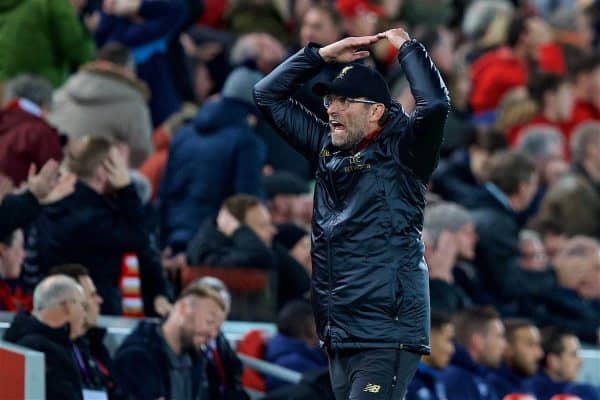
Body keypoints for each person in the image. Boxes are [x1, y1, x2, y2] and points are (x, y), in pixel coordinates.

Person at [254, 28, 450, 399]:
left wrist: (407, 49)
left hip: (385, 332)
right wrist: (321, 56)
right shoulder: (325, 146)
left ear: (376, 111)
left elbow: (436, 105)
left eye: (344, 101)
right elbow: (267, 94)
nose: (331, 108)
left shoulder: (407, 151)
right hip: (339, 330)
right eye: (329, 100)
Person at [113, 285, 226, 400]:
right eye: (209, 321)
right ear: (183, 308)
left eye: (217, 328)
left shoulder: (197, 360)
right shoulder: (136, 357)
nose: (213, 334)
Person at [50, 263, 127, 399]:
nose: (100, 300)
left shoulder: (94, 347)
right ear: (71, 303)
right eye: (92, 295)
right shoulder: (49, 353)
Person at [3, 275, 87, 400]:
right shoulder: (35, 349)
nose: (84, 313)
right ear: (67, 305)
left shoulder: (58, 343)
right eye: (82, 305)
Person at [441, 306, 506, 400]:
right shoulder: (455, 381)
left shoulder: (481, 377)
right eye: (499, 336)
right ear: (478, 341)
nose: (504, 345)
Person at [525, 327, 600, 400]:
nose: (581, 361)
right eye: (573, 355)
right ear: (553, 361)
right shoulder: (584, 392)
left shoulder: (523, 388)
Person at [486, 319, 543, 398]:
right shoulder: (489, 386)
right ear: (507, 347)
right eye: (530, 345)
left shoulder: (532, 386)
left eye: (538, 345)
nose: (539, 354)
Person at [406, 312, 455, 400]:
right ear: (427, 337)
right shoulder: (402, 380)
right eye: (448, 340)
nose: (451, 350)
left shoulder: (435, 381)